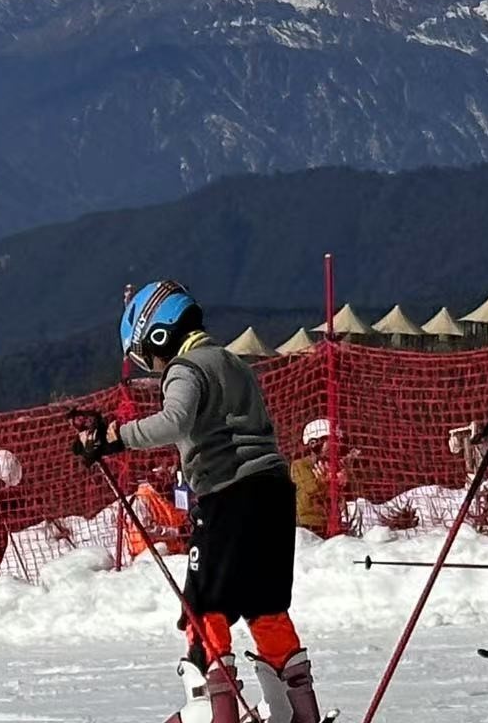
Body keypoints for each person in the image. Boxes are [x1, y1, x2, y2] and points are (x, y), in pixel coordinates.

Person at [75, 282, 318, 723]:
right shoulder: (234, 363)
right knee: (265, 603)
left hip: (228, 494)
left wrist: (114, 438)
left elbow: (175, 421)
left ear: (159, 335)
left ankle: (214, 706)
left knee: (204, 603)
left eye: (145, 354)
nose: (150, 366)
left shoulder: (186, 368)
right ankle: (297, 708)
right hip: (273, 494)